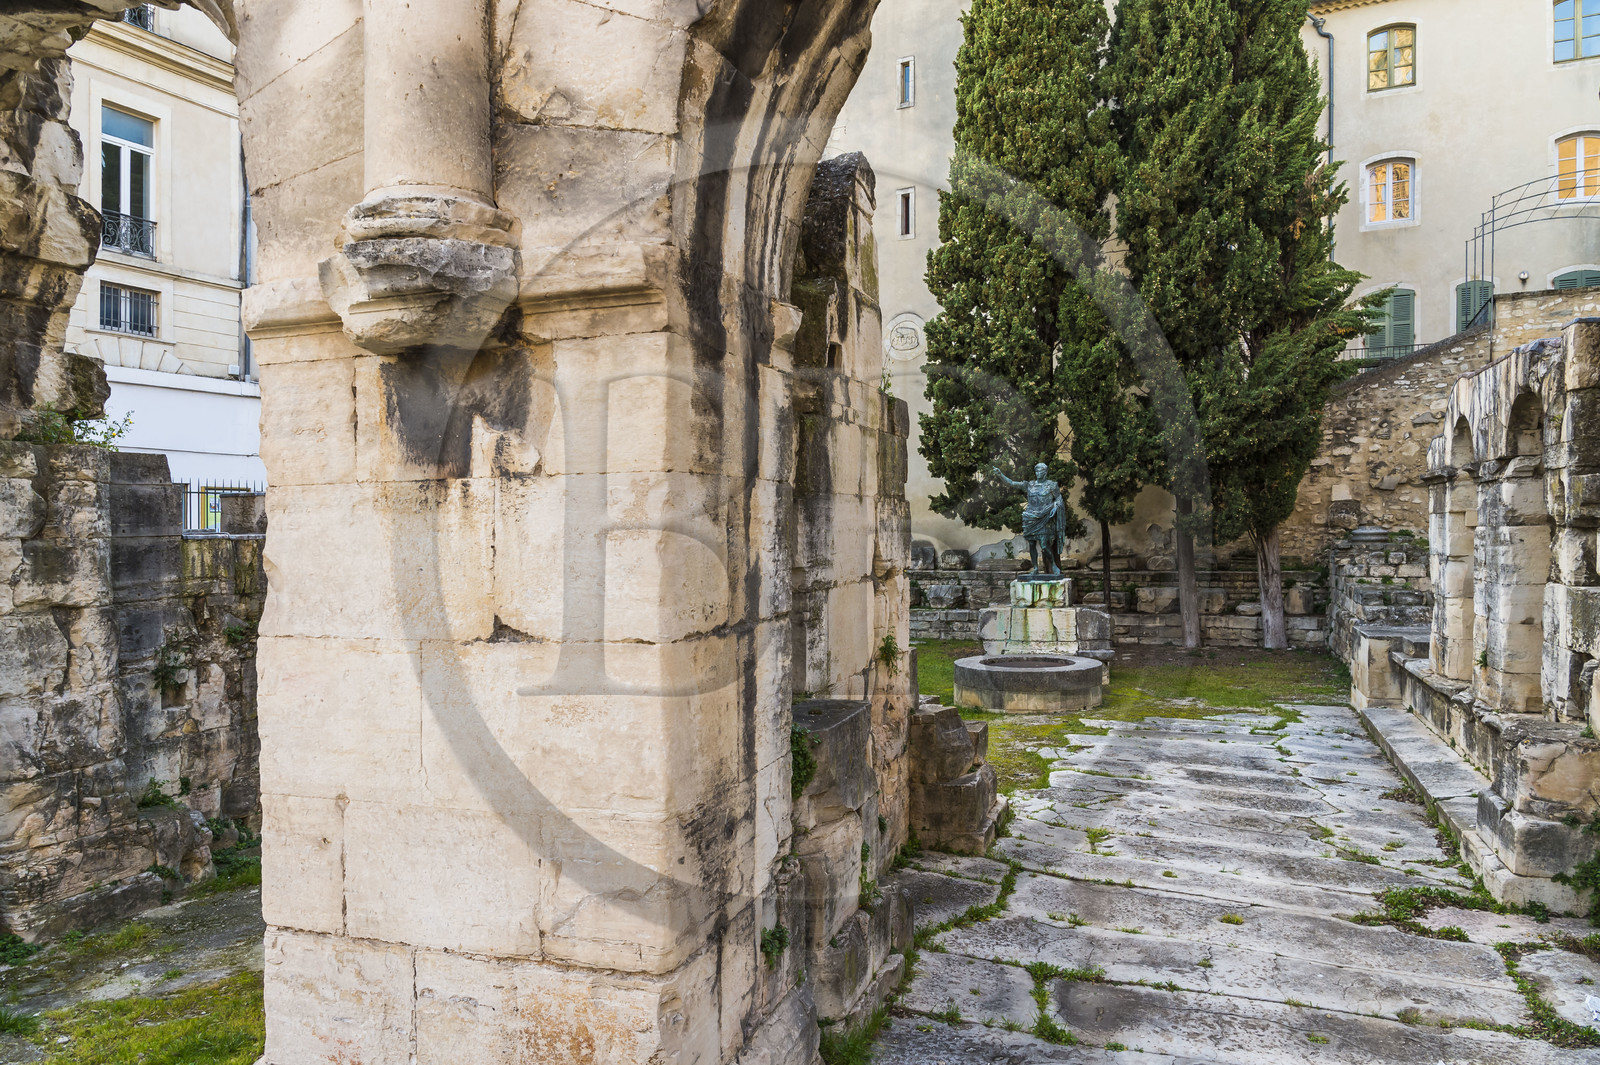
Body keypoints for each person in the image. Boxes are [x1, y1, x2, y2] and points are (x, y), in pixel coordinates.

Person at [990, 462, 1067, 577]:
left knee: (1044, 545)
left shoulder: (1051, 485)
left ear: (1045, 472)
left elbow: (1059, 499)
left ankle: (1053, 564)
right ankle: (1035, 568)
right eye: (1036, 471)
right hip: (1030, 517)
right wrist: (1000, 475)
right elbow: (1011, 483)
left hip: (1044, 517)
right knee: (1031, 544)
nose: (1038, 473)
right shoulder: (1030, 485)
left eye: (1040, 471)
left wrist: (1055, 506)